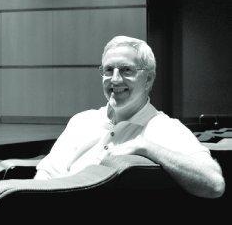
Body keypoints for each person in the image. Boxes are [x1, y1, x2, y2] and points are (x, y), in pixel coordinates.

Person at [35, 35, 225, 198]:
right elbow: (46, 176)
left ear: (148, 79)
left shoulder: (163, 128)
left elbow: (214, 184)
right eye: (109, 70)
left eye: (126, 70)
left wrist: (145, 147)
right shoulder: (81, 121)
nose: (115, 79)